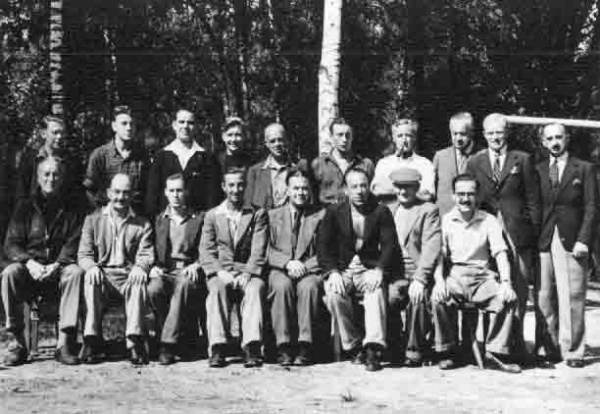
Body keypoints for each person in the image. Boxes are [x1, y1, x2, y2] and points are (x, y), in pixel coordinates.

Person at [466, 113, 540, 354]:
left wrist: (532, 231)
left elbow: (533, 199)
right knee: (491, 286)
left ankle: (515, 345)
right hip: (485, 231)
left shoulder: (523, 159)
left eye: (499, 132)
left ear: (507, 133)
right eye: (490, 133)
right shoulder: (475, 162)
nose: (495, 137)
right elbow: (470, 198)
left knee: (518, 287)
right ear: (484, 135)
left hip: (517, 232)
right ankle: (491, 346)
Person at [432, 173, 521, 373]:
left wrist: (506, 283)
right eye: (461, 194)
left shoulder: (488, 220)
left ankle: (496, 352)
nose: (465, 199)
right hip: (456, 274)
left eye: (470, 194)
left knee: (507, 299)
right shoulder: (446, 220)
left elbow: (500, 253)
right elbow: (439, 256)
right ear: (453, 196)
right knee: (438, 299)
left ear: (477, 196)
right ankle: (448, 350)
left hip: (483, 276)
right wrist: (439, 281)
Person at [1, 157, 84, 366]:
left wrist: (58, 264)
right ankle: (18, 344)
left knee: (75, 273)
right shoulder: (24, 207)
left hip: (59, 269)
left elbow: (75, 241)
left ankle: (64, 344)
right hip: (31, 270)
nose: (51, 179)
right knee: (10, 273)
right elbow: (11, 244)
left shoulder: (72, 207)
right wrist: (29, 263)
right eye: (46, 174)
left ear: (62, 178)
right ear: (38, 178)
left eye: (56, 174)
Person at [318, 167, 401, 371]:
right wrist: (332, 273)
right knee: (334, 294)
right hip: (343, 270)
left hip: (368, 269)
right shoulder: (334, 212)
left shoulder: (381, 211)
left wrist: (379, 270)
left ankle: (373, 349)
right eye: (354, 186)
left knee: (375, 291)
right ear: (346, 190)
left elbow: (390, 245)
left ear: (369, 186)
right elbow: (323, 247)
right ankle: (354, 345)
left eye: (363, 185)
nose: (359, 191)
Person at [535, 123, 597, 368]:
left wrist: (584, 239)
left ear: (567, 138)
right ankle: (548, 348)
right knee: (544, 296)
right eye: (549, 138)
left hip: (572, 240)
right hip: (544, 238)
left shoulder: (584, 168)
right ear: (543, 142)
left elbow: (592, 208)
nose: (554, 142)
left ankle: (573, 351)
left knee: (573, 296)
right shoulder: (538, 169)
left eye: (559, 137)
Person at [78, 173, 155, 366]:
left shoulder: (142, 223)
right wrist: (91, 267)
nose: (121, 197)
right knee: (90, 279)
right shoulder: (93, 220)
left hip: (127, 275)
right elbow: (84, 254)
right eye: (117, 192)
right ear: (108, 193)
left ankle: (134, 341)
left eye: (126, 193)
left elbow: (146, 254)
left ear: (132, 195)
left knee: (139, 281)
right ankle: (91, 339)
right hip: (103, 275)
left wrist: (140, 267)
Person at [199, 167, 268, 368]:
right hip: (222, 271)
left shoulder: (257, 214)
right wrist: (220, 272)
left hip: (247, 271)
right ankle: (218, 346)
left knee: (255, 289)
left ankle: (252, 346)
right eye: (231, 185)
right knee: (216, 289)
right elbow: (206, 250)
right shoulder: (213, 215)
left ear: (245, 186)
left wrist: (248, 273)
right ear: (223, 187)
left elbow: (259, 249)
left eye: (239, 185)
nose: (235, 190)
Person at [387, 168, 446, 367]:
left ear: (417, 187)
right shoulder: (388, 210)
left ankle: (414, 350)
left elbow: (431, 246)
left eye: (408, 187)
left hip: (419, 269)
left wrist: (420, 279)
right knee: (388, 297)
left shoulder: (428, 210)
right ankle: (393, 345)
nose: (403, 192)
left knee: (417, 298)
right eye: (399, 187)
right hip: (395, 272)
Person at [266, 169, 324, 366]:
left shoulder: (320, 216)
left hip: (309, 269)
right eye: (296, 188)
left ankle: (305, 345)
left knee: (309, 287)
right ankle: (282, 345)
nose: (300, 193)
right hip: (280, 268)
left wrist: (304, 266)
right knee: (281, 286)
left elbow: (326, 250)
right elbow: (265, 249)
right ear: (287, 190)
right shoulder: (272, 216)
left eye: (304, 188)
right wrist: (287, 263)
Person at [147, 174, 206, 365]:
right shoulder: (158, 220)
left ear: (186, 192)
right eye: (171, 190)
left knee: (183, 286)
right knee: (153, 289)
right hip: (164, 270)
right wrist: (152, 267)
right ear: (165, 192)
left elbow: (207, 248)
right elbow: (148, 247)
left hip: (187, 270)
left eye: (179, 190)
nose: (175, 195)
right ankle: (168, 334)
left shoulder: (199, 219)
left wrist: (197, 264)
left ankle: (167, 345)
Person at [145, 108, 221, 217]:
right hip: (167, 222)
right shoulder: (161, 157)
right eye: (181, 122)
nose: (185, 126)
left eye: (190, 123)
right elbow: (152, 196)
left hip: (199, 222)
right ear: (174, 125)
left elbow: (213, 198)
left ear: (195, 126)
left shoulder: (207, 158)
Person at [84, 105, 150, 213]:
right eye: (124, 123)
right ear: (114, 126)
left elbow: (147, 190)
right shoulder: (100, 155)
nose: (129, 128)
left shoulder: (142, 156)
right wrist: (99, 212)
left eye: (132, 124)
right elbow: (89, 189)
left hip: (133, 216)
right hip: (105, 215)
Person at [16, 116, 85, 208]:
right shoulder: (29, 158)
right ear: (43, 134)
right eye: (55, 133)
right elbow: (22, 191)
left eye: (62, 133)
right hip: (34, 210)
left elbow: (76, 194)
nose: (60, 137)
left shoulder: (72, 161)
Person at [309, 118, 374, 205]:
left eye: (348, 135)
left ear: (352, 137)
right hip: (327, 210)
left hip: (357, 211)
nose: (344, 139)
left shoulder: (365, 165)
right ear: (331, 137)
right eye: (340, 135)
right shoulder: (319, 164)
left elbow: (371, 195)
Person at [371, 118, 435, 204]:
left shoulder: (425, 164)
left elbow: (427, 195)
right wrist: (411, 190)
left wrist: (390, 190)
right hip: (389, 211)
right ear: (394, 138)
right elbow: (376, 191)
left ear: (414, 138)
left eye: (408, 136)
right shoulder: (384, 164)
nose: (404, 140)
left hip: (416, 210)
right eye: (400, 136)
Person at [245, 123, 307, 209]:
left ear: (286, 141)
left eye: (280, 140)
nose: (277, 144)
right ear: (266, 144)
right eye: (272, 141)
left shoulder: (297, 169)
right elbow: (247, 205)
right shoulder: (255, 171)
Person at [433, 112, 479, 216]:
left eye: (463, 134)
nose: (458, 138)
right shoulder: (440, 156)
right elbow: (432, 191)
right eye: (454, 134)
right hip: (444, 216)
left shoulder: (479, 157)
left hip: (472, 217)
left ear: (471, 133)